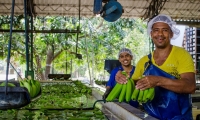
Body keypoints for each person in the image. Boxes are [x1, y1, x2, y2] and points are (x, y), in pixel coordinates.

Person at [115, 14, 196, 120]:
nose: (160, 34)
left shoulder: (181, 55)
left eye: (165, 30)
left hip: (179, 117)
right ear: (151, 33)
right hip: (151, 117)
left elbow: (190, 86)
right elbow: (134, 86)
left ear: (171, 33)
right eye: (156, 30)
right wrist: (122, 78)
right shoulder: (144, 61)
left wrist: (158, 81)